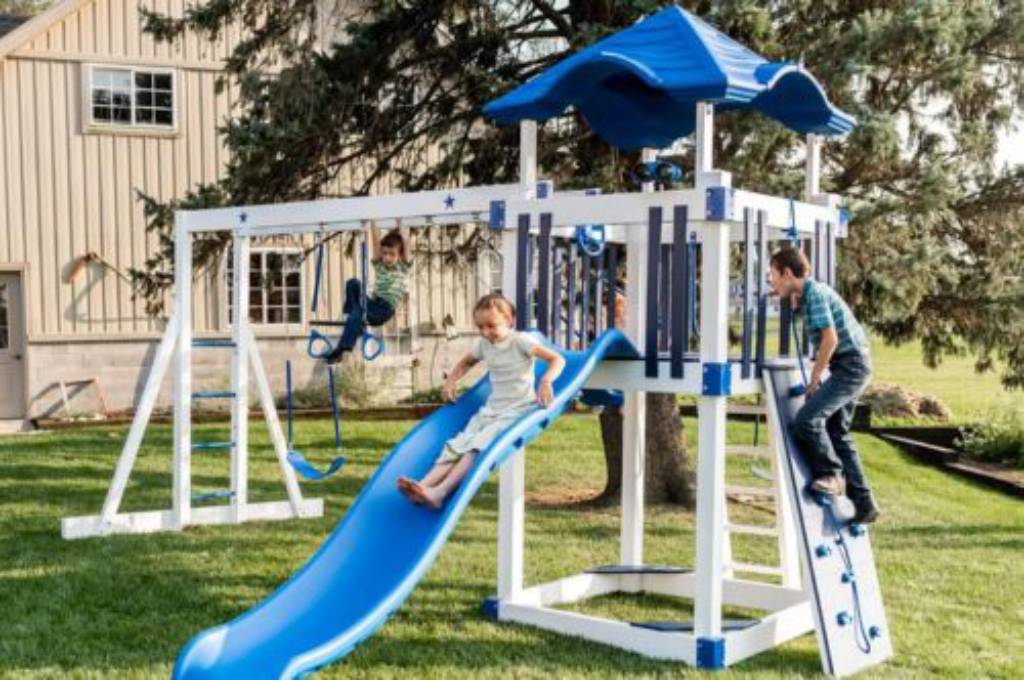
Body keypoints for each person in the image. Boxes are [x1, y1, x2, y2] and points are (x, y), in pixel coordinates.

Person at [398, 293, 566, 509]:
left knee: (475, 447)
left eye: (491, 326)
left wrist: (546, 381)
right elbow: (466, 363)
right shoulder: (484, 344)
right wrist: (451, 382)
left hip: (517, 410)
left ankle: (440, 492)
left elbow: (557, 359)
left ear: (509, 320)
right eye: (480, 327)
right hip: (491, 410)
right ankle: (423, 485)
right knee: (458, 444)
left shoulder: (521, 341)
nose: (486, 332)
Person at [768, 247, 880, 524]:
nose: (772, 282)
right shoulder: (808, 295)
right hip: (852, 364)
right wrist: (793, 306)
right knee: (838, 432)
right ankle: (865, 503)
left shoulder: (815, 294)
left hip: (850, 365)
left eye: (773, 276)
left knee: (808, 420)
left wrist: (815, 377)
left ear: (787, 273)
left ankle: (831, 475)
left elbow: (830, 340)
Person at [327, 223, 414, 364]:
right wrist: (374, 222)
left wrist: (401, 221)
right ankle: (354, 318)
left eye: (392, 254)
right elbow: (376, 242)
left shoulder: (403, 267)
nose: (387, 257)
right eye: (385, 253)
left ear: (400, 255)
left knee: (359, 310)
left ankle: (342, 349)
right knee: (353, 283)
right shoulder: (379, 265)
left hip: (384, 309)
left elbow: (406, 241)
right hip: (374, 303)